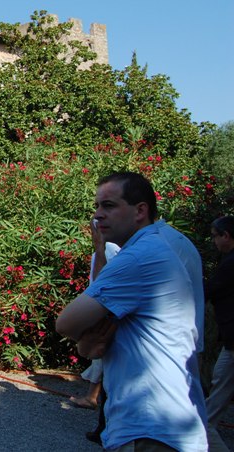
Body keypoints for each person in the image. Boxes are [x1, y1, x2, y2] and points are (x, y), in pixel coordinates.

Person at [56, 172, 206, 450]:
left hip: (151, 429)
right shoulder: (151, 247)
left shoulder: (139, 257)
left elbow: (66, 322)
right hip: (156, 425)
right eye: (97, 206)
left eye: (109, 206)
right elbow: (99, 330)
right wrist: (88, 344)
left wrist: (85, 341)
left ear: (140, 210)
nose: (97, 216)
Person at [69, 222, 120, 411]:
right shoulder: (105, 249)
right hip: (99, 304)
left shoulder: (110, 249)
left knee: (100, 355)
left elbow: (103, 282)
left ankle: (94, 398)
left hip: (104, 307)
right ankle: (93, 396)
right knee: (99, 358)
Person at [205, 216, 234, 448]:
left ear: (226, 236)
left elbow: (212, 288)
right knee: (221, 380)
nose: (214, 241)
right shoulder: (228, 260)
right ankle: (204, 426)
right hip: (230, 339)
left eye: (215, 236)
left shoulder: (231, 263)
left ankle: (203, 428)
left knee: (221, 381)